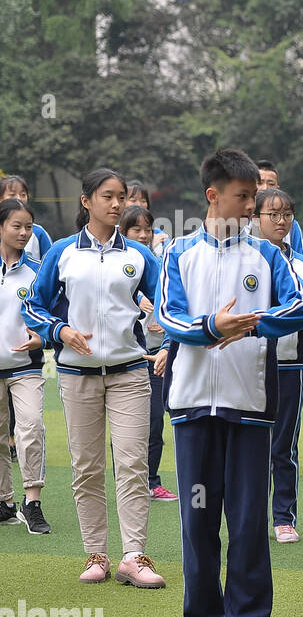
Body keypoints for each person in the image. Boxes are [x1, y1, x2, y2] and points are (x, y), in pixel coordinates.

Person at [157, 148, 303, 617]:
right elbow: (170, 317)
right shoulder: (177, 254)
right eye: (244, 196)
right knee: (198, 519)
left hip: (251, 405)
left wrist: (249, 322)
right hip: (192, 408)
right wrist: (213, 327)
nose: (252, 206)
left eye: (255, 196)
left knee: (249, 519)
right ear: (214, 196)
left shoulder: (269, 255)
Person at [23, 168, 163, 585]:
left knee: (133, 464)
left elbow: (173, 305)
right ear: (86, 202)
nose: (117, 204)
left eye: (121, 196)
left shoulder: (140, 256)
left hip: (131, 373)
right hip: (75, 374)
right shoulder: (63, 252)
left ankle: (134, 556)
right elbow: (33, 305)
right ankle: (96, 555)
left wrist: (169, 342)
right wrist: (59, 331)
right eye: (107, 196)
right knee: (86, 466)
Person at [254, 187, 303, 543]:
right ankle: (250, 515)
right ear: (255, 218)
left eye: (287, 214)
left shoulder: (302, 263)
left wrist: (277, 318)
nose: (281, 221)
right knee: (248, 444)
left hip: (289, 365)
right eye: (273, 214)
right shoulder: (245, 260)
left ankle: (283, 516)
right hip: (246, 364)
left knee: (284, 446)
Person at [119, 205, 178, 502]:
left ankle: (151, 481)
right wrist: (139, 298)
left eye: (147, 230)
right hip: (128, 358)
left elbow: (173, 303)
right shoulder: (117, 264)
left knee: (156, 420)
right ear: (122, 232)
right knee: (133, 427)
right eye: (135, 230)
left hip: (156, 354)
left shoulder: (161, 261)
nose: (143, 235)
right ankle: (131, 480)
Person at [0, 198, 50, 534]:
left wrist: (42, 338)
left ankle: (32, 502)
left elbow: (51, 316)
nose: (23, 232)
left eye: (28, 227)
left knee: (30, 427)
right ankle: (5, 502)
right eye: (16, 226)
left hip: (26, 366)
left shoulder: (37, 270)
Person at [256, 161, 303, 258]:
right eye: (260, 183)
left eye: (271, 184)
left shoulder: (290, 225)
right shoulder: (238, 223)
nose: (265, 188)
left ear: (278, 189)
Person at [0, 176, 52, 261]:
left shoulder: (38, 233)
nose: (19, 198)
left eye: (23, 194)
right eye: (12, 195)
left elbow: (50, 264)